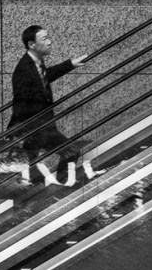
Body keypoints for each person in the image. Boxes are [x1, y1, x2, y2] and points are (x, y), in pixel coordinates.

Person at [7, 25, 98, 188]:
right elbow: (20, 101)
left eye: (48, 38)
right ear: (31, 45)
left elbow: (45, 76)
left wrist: (70, 64)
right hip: (33, 129)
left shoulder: (35, 63)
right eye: (44, 39)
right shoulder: (24, 69)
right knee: (35, 167)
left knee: (69, 153)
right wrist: (17, 130)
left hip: (43, 127)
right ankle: (44, 191)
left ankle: (52, 188)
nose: (49, 42)